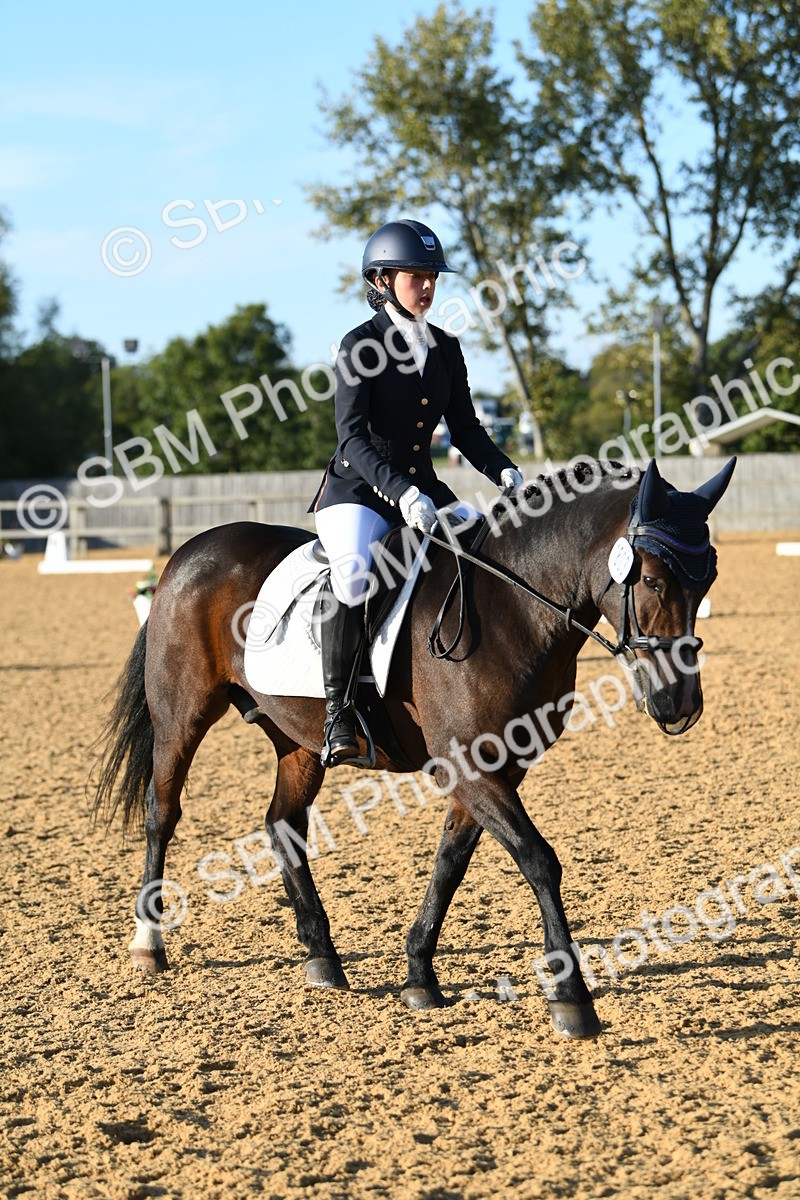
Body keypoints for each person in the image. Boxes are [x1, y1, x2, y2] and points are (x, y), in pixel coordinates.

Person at [310, 218, 523, 764]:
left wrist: (504, 471)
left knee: (484, 550)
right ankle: (339, 711)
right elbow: (352, 438)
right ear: (381, 280)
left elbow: (467, 429)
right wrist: (401, 492)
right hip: (358, 491)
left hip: (423, 489)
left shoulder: (446, 348)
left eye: (433, 275)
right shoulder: (360, 345)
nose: (428, 285)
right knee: (355, 573)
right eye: (416, 275)